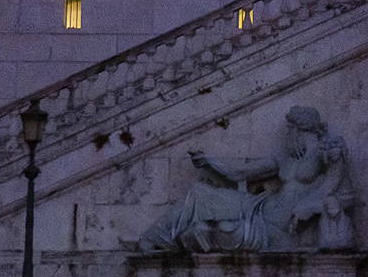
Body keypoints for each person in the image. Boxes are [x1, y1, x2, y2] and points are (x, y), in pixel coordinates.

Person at [136, 105, 356, 254]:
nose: (287, 133)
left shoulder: (326, 151)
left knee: (216, 229)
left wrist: (310, 206)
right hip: (260, 206)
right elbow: (239, 173)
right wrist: (209, 162)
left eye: (290, 129)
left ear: (300, 129)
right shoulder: (284, 157)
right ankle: (155, 237)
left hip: (273, 226)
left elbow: (342, 193)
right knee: (199, 192)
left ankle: (165, 240)